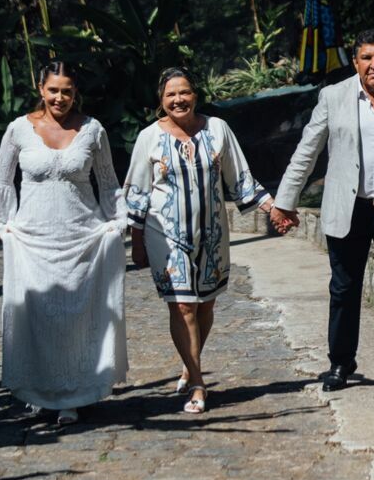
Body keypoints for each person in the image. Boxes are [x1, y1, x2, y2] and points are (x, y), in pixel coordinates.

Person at [271, 29, 374, 403]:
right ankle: (341, 363)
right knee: (344, 288)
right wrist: (285, 201)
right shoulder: (333, 98)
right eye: (367, 58)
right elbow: (307, 151)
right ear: (355, 62)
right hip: (349, 209)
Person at [122, 67, 294, 416]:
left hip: (212, 234)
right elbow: (137, 192)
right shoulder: (149, 138)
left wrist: (273, 207)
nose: (178, 100)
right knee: (183, 305)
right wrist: (137, 240)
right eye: (171, 94)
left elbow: (240, 178)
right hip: (166, 236)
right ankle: (199, 383)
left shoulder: (217, 129)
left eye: (184, 92)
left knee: (205, 306)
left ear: (195, 95)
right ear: (161, 100)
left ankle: (189, 363)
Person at [0, 59, 127, 425]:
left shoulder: (92, 129)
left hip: (81, 237)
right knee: (37, 315)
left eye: (66, 90)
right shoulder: (19, 129)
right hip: (33, 238)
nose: (59, 97)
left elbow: (108, 182)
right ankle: (39, 390)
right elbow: (3, 177)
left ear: (75, 92)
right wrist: (2, 224)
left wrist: (117, 221)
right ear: (40, 89)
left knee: (76, 317)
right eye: (53, 90)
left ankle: (74, 395)